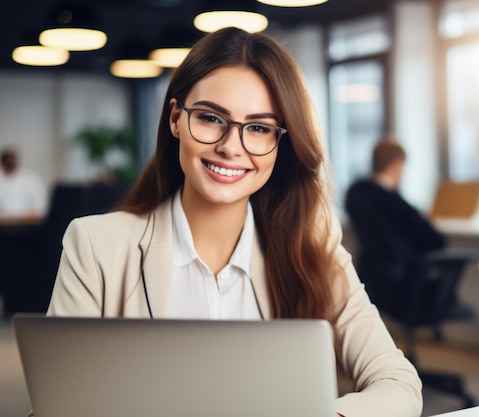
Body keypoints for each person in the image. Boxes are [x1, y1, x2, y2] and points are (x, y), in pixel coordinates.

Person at [46, 28, 422, 416]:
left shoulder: (311, 247)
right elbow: (59, 403)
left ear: (282, 143)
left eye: (258, 128)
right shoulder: (96, 245)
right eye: (211, 118)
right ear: (176, 119)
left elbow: (398, 383)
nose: (230, 146)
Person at [345, 139, 446, 288]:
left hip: (369, 277)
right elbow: (435, 241)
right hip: (402, 281)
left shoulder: (356, 192)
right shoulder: (392, 200)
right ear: (397, 164)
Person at [0, 148, 47, 221]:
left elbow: (40, 209)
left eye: (12, 161)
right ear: (2, 162)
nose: (10, 163)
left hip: (28, 224)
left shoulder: (31, 178)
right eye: (7, 161)